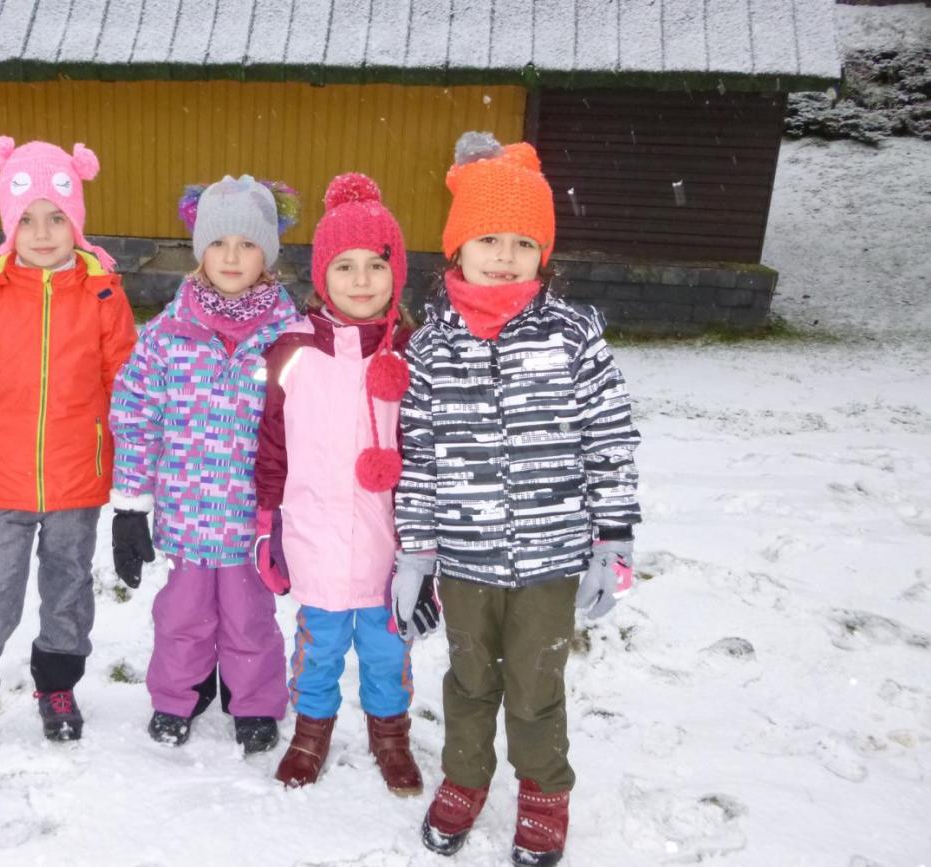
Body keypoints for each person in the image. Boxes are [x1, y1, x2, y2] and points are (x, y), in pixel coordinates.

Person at [393, 132, 641, 865]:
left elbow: (611, 437)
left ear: (545, 255)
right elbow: (419, 456)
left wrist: (613, 536)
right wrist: (415, 551)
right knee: (469, 678)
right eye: (488, 237)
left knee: (536, 683)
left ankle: (544, 789)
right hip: (466, 558)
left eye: (523, 241)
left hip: (551, 555)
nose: (504, 254)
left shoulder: (574, 336)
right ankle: (465, 779)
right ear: (456, 248)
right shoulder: (432, 348)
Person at [0, 136, 136, 791]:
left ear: (77, 221)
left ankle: (58, 685)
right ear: (8, 223)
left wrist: (131, 476)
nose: (43, 233)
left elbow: (126, 384)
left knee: (69, 590)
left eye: (57, 217)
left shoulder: (102, 294)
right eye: (28, 219)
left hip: (78, 477)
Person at [108, 175, 301, 754]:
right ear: (200, 250)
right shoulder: (167, 335)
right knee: (183, 617)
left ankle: (255, 703)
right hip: (187, 515)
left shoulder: (290, 335)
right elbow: (135, 416)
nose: (232, 256)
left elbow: (304, 426)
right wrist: (130, 506)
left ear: (268, 251)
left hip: (251, 517)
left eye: (247, 243)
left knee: (249, 618)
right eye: (219, 243)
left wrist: (295, 504)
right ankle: (179, 696)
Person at [253, 172, 432, 795]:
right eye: (345, 266)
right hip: (315, 536)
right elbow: (272, 445)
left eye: (376, 265)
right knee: (319, 647)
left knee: (388, 652)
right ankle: (312, 731)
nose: (361, 281)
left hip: (388, 546)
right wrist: (266, 523)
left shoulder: (413, 355)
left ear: (396, 272)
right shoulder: (294, 351)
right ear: (322, 275)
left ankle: (391, 735)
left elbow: (427, 451)